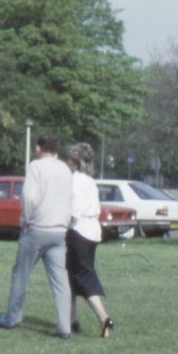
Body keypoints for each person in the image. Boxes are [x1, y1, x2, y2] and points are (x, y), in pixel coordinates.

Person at [0, 132, 74, 337]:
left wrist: (25, 220)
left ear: (38, 147)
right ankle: (65, 326)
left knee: (21, 275)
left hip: (37, 228)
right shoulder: (65, 168)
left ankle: (12, 317)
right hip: (59, 230)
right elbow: (69, 198)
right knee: (60, 280)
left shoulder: (36, 167)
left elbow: (29, 196)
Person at [66, 143, 114, 338]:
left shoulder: (75, 181)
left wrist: (61, 227)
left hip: (79, 231)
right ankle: (71, 319)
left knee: (82, 276)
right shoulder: (89, 180)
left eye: (68, 160)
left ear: (75, 162)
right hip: (92, 231)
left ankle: (104, 318)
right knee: (69, 275)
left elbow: (74, 211)